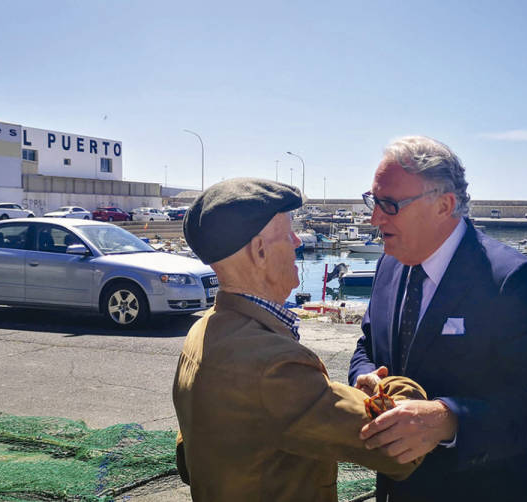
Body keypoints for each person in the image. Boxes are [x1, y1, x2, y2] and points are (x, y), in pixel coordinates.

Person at [172, 178, 427, 502]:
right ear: (260, 251)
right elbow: (400, 451)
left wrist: (341, 398)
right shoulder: (274, 365)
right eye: (288, 233)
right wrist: (393, 389)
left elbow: (188, 458)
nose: (297, 242)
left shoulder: (204, 330)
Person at [348, 137, 527, 501]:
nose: (374, 218)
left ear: (443, 205)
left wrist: (447, 419)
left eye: (389, 204)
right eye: (372, 201)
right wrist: (364, 377)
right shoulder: (388, 262)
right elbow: (366, 345)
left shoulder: (508, 279)